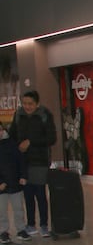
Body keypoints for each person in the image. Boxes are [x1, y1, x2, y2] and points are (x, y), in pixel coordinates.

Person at [9, 90, 57, 237]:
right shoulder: (18, 116)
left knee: (40, 194)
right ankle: (30, 224)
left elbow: (51, 138)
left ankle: (43, 224)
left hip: (40, 161)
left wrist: (31, 142)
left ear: (37, 103)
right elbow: (12, 135)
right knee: (28, 195)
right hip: (23, 162)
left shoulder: (44, 116)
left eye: (30, 104)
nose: (27, 107)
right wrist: (18, 146)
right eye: (24, 103)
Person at [0, 121, 29, 243]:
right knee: (2, 210)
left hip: (15, 182)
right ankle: (3, 231)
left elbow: (20, 161)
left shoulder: (11, 143)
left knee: (18, 208)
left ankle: (21, 229)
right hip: (1, 186)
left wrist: (23, 176)